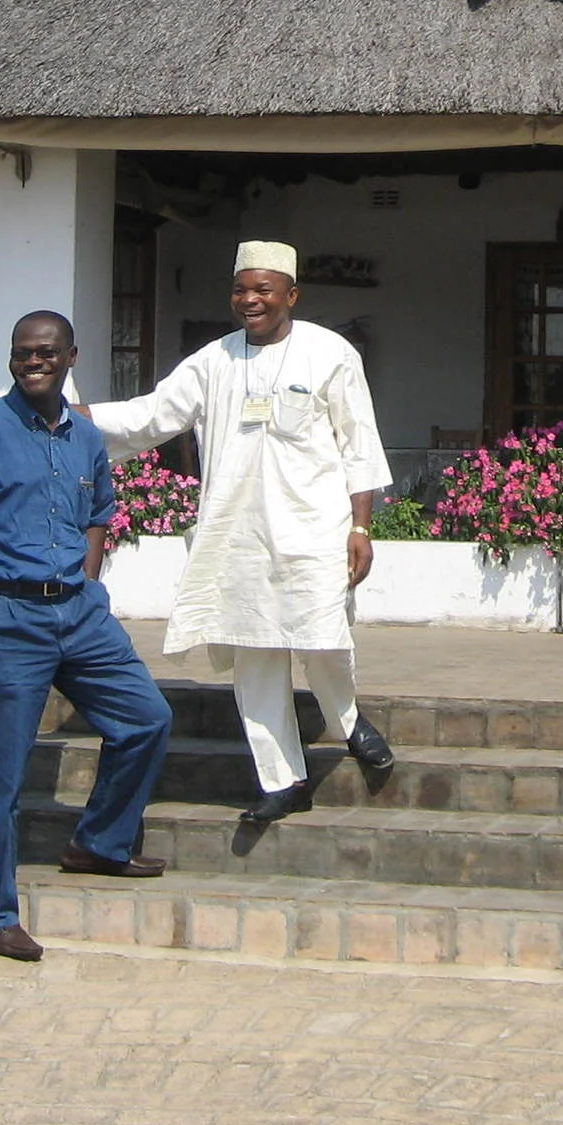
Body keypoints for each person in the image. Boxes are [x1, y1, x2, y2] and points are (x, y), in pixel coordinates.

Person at [86, 242, 396, 822]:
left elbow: (360, 444)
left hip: (313, 528)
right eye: (240, 290)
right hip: (238, 534)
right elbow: (152, 415)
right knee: (255, 654)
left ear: (291, 296)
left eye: (263, 290)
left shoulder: (330, 354)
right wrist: (76, 417)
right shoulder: (214, 361)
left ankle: (348, 721)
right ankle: (283, 781)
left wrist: (361, 525)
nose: (249, 300)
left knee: (324, 638)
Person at [0, 310, 173, 961]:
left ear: (70, 357)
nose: (33, 362)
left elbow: (98, 514)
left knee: (146, 719)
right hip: (4, 617)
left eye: (46, 352)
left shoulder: (85, 436)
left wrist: (88, 581)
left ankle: (101, 843)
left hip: (79, 614)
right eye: (22, 353)